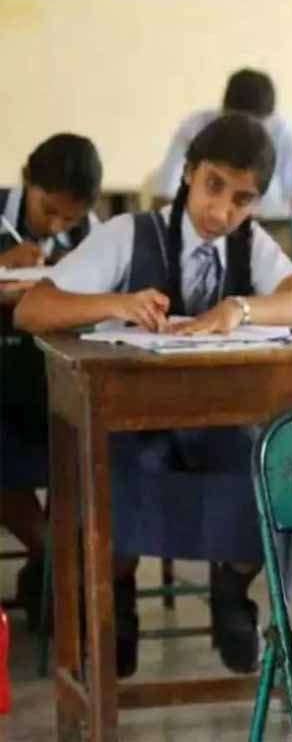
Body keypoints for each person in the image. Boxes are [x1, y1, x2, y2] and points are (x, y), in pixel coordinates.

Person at [15, 113, 292, 677]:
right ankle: (118, 602)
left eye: (242, 200)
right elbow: (33, 309)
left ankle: (232, 590)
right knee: (117, 476)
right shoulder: (129, 234)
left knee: (261, 472)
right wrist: (116, 303)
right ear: (187, 173)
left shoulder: (249, 245)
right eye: (213, 186)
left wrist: (240, 308)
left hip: (217, 423)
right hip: (132, 425)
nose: (221, 211)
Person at [1, 133, 103, 632]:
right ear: (28, 181)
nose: (58, 225)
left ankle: (57, 566)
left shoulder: (95, 235)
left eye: (70, 217)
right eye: (49, 211)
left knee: (90, 441)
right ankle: (50, 553)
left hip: (57, 383)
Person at [157, 68, 292, 218]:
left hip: (267, 221)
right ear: (225, 111)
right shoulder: (194, 128)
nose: (248, 131)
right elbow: (164, 194)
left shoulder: (279, 130)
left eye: (257, 123)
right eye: (240, 122)